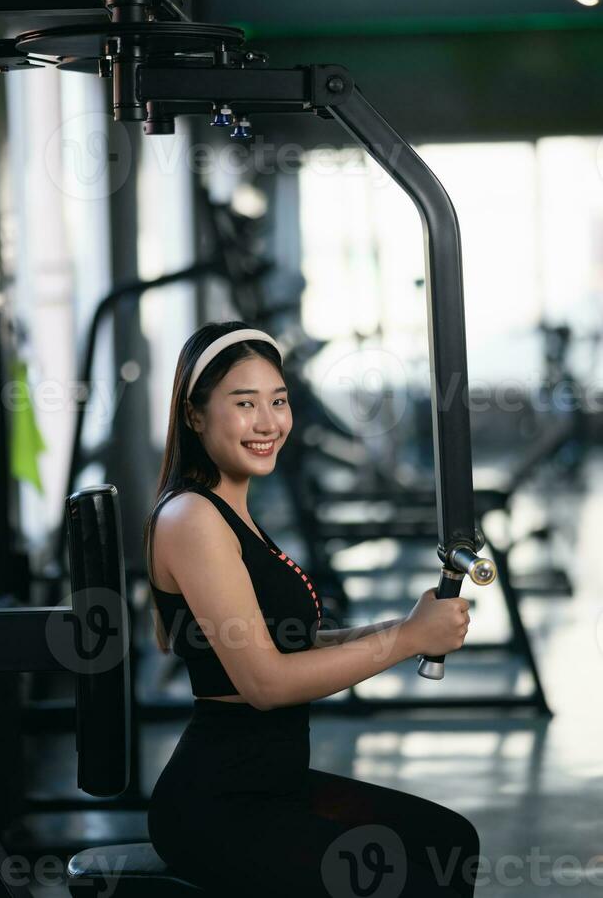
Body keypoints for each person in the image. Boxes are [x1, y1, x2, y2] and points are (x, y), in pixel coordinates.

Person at [144, 320, 480, 897]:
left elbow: (288, 641)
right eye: (244, 403)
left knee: (449, 844)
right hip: (219, 808)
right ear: (195, 415)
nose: (269, 422)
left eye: (278, 401)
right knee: (422, 884)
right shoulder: (192, 518)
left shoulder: (230, 508)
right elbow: (266, 682)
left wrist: (406, 628)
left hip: (273, 784)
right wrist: (405, 641)